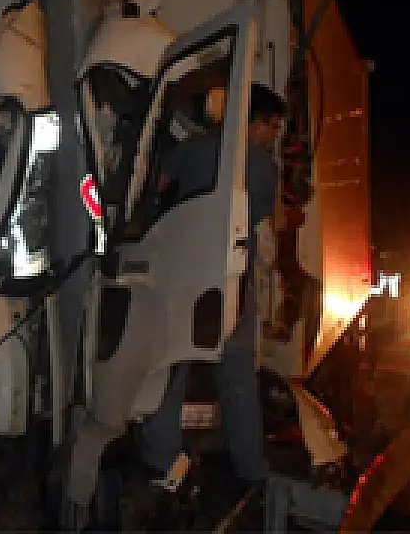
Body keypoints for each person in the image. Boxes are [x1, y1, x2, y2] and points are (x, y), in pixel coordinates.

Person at [135, 83, 287, 507]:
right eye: (273, 127)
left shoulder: (188, 151)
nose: (274, 136)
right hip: (231, 281)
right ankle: (250, 469)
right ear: (256, 122)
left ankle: (162, 459)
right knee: (237, 379)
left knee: (172, 370)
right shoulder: (261, 165)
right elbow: (261, 218)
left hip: (182, 279)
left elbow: (156, 193)